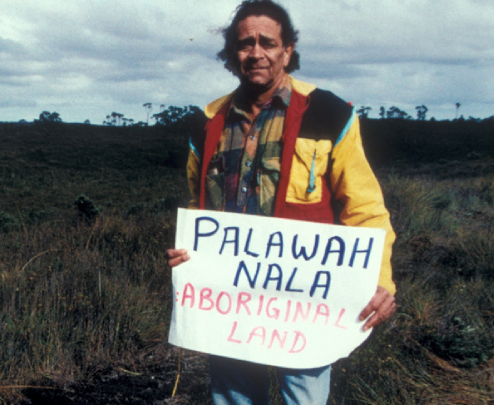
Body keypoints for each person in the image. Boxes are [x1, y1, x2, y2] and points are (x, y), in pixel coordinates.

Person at [165, 1, 396, 404]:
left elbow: (365, 208)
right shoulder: (208, 122)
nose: (256, 53)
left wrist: (381, 281)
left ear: (287, 50)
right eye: (244, 44)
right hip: (228, 301)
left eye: (267, 43)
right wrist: (189, 253)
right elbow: (198, 204)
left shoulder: (328, 113)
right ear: (231, 55)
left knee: (303, 397)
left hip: (306, 305)